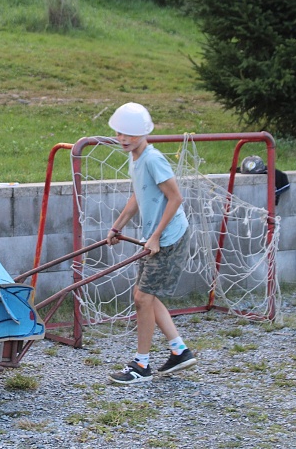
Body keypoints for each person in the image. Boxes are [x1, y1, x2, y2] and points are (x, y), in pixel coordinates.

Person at [105, 102, 197, 384]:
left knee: (142, 298)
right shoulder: (135, 158)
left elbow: (176, 197)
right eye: (120, 133)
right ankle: (179, 351)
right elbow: (138, 195)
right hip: (155, 237)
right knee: (146, 295)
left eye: (129, 135)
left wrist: (156, 236)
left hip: (169, 237)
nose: (123, 139)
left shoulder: (153, 159)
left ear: (143, 134)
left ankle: (141, 365)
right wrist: (117, 226)